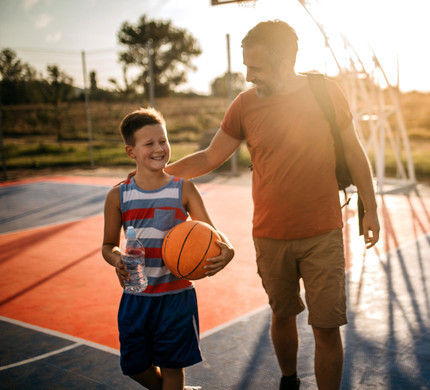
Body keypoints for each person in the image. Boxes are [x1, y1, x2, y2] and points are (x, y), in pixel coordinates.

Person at [164, 20, 380, 390]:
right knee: (282, 314)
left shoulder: (325, 92)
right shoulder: (244, 105)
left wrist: (370, 208)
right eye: (247, 67)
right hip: (270, 235)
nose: (249, 76)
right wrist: (157, 175)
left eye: (257, 68)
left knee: (326, 325)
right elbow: (210, 157)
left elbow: (354, 151)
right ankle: (289, 380)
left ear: (285, 62)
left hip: (323, 232)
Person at [102, 107, 235, 389]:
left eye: (163, 141)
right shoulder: (118, 194)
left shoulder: (184, 189)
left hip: (176, 297)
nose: (159, 148)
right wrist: (116, 260)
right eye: (149, 143)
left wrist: (229, 249)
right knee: (135, 366)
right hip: (136, 296)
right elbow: (108, 245)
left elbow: (210, 232)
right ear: (131, 152)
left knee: (173, 369)